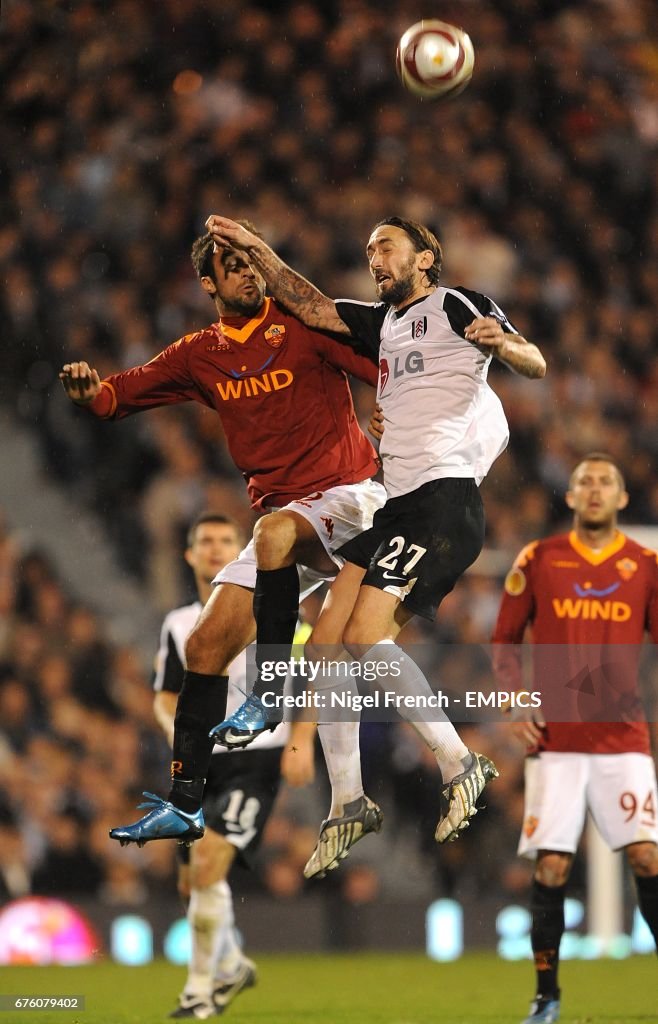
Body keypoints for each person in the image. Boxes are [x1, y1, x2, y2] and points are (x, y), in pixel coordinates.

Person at [204, 213, 546, 874]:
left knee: (364, 637)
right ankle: (349, 801)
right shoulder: (380, 325)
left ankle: (458, 761)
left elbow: (533, 359)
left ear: (424, 258)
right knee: (329, 634)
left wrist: (503, 347)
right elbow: (306, 301)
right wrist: (256, 249)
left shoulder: (456, 304)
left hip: (443, 503)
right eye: (368, 250)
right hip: (399, 503)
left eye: (386, 246)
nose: (374, 258)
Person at [59, 221, 385, 846]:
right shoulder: (198, 354)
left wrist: (391, 410)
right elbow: (120, 395)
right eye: (229, 263)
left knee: (272, 536)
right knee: (205, 647)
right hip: (286, 521)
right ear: (208, 282)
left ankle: (266, 694)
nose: (244, 268)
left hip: (351, 496)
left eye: (249, 258)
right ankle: (185, 803)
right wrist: (90, 394)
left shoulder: (302, 324)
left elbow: (379, 364)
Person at [492, 454, 658, 1024]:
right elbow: (504, 641)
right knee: (553, 868)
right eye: (584, 480)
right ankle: (547, 996)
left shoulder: (646, 563)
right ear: (570, 497)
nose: (593, 489)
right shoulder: (539, 558)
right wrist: (514, 701)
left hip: (624, 738)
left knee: (646, 855)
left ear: (621, 499)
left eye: (605, 481)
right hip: (556, 742)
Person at [152, 512, 314, 1020]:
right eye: (206, 541)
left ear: (241, 549)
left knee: (208, 862)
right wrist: (178, 736)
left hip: (257, 758)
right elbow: (164, 698)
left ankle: (199, 990)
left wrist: (302, 742)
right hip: (199, 764)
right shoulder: (179, 624)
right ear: (191, 555)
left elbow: (316, 680)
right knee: (190, 884)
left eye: (227, 540)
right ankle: (232, 963)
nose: (217, 548)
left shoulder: (282, 617)